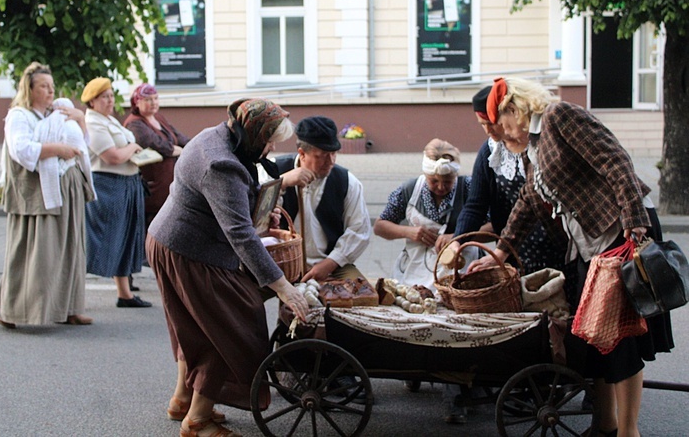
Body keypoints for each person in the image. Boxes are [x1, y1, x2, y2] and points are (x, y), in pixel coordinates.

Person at [468, 76, 674, 437]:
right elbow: (527, 204)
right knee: (591, 336)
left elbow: (614, 159)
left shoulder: (558, 117)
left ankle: (629, 432)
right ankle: (605, 423)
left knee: (619, 336)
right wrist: (500, 252)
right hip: (589, 245)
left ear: (514, 109)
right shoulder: (531, 146)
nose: (498, 133)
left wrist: (634, 221)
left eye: (499, 123)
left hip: (619, 228)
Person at [146, 98, 309, 437]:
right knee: (232, 325)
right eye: (269, 140)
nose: (271, 148)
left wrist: (261, 213)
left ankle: (182, 400)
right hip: (189, 250)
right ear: (253, 134)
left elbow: (226, 209)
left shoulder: (215, 135)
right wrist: (284, 287)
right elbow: (241, 235)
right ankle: (198, 421)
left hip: (169, 241)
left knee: (192, 326)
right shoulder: (222, 163)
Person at [0, 62, 94, 328]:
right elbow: (21, 150)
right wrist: (58, 148)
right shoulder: (19, 116)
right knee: (34, 255)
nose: (50, 91)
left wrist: (80, 120)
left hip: (66, 189)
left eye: (51, 86)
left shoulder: (56, 113)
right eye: (44, 86)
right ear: (30, 89)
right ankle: (9, 309)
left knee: (70, 249)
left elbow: (83, 144)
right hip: (35, 194)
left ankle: (69, 308)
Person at [450, 86, 567, 274]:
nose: (488, 130)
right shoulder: (491, 152)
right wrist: (458, 239)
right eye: (482, 124)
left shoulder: (541, 141)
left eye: (492, 122)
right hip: (513, 245)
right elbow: (476, 204)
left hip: (558, 242)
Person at [374, 138, 483, 290]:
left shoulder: (468, 188)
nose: (441, 187)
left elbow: (493, 227)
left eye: (447, 181)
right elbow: (379, 226)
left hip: (461, 271)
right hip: (414, 270)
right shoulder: (410, 189)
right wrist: (408, 232)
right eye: (434, 181)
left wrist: (457, 236)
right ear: (425, 174)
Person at [272, 116, 371, 283]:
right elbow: (257, 219)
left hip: (330, 263)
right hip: (280, 264)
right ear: (302, 154)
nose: (331, 161)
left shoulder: (347, 181)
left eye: (333, 154)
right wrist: (282, 184)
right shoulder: (273, 171)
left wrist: (331, 263)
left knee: (360, 293)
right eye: (323, 155)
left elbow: (359, 229)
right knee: (247, 296)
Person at [82, 77, 151, 308]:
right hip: (108, 186)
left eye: (112, 95)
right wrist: (133, 148)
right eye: (105, 96)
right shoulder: (93, 123)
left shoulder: (107, 120)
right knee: (104, 240)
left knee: (125, 237)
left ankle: (125, 294)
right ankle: (71, 292)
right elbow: (112, 157)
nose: (110, 100)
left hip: (126, 183)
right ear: (92, 101)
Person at [123, 83, 190, 230]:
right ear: (137, 102)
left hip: (170, 185)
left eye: (155, 98)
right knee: (155, 229)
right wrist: (179, 150)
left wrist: (191, 147)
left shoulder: (158, 118)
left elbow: (179, 138)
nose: (153, 103)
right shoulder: (135, 124)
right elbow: (159, 146)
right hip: (154, 188)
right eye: (148, 100)